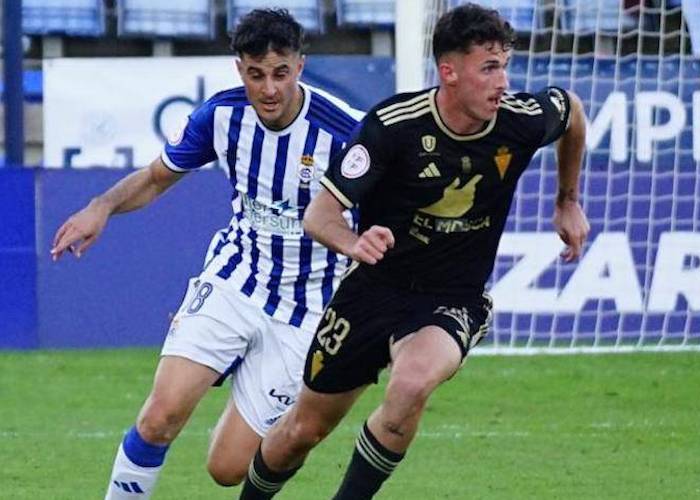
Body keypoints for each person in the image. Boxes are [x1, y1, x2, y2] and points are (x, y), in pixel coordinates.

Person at [238, 3, 590, 499]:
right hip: (374, 290)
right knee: (303, 431)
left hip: (453, 297)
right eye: (489, 67)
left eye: (505, 65)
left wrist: (568, 199)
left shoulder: (520, 121)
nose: (503, 81)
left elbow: (571, 109)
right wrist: (354, 242)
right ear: (449, 71)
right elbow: (320, 216)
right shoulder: (393, 126)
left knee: (411, 384)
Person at [50, 8, 363, 499]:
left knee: (227, 468)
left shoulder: (346, 133)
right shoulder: (221, 116)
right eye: (256, 75)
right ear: (240, 69)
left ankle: (243, 372)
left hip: (306, 311)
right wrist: (102, 206)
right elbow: (157, 177)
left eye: (281, 73)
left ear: (300, 66)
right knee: (159, 416)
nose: (269, 89)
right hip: (235, 279)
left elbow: (387, 213)